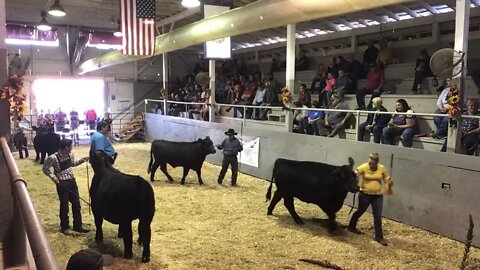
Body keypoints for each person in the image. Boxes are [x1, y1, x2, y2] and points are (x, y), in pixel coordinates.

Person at [42, 139, 90, 233]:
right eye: (71, 146)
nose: (72, 148)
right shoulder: (53, 158)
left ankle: (78, 225)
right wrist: (52, 176)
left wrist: (82, 160)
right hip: (62, 184)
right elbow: (45, 169)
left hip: (72, 181)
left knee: (76, 204)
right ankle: (65, 227)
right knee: (64, 206)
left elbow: (72, 164)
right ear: (66, 147)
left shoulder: (70, 155)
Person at [348, 153, 392, 247]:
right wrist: (354, 180)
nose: (370, 164)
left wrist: (388, 182)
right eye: (369, 162)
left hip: (377, 196)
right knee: (360, 211)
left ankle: (379, 237)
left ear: (376, 163)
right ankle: (351, 226)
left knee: (377, 215)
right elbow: (355, 174)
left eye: (372, 163)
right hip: (365, 194)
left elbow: (386, 178)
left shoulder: (381, 168)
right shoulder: (364, 167)